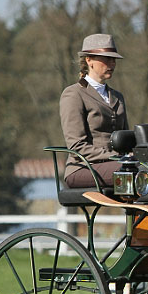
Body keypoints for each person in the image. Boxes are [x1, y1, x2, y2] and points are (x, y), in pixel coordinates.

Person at [59, 34, 128, 188]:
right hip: (83, 168)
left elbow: (125, 137)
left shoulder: (118, 96)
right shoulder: (74, 94)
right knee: (133, 171)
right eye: (106, 59)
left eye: (113, 59)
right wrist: (116, 157)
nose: (112, 64)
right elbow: (77, 146)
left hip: (117, 165)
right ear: (88, 60)